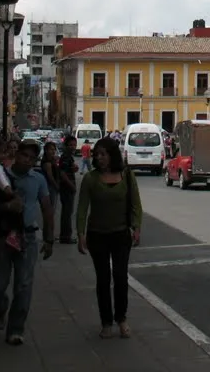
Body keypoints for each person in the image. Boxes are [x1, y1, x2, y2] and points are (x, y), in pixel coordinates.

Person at [0, 140, 54, 346]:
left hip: (28, 237)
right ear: (16, 155)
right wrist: (7, 206)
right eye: (25, 156)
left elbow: (47, 209)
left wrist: (50, 238)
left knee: (23, 285)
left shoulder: (38, 179)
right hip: (2, 236)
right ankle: (0, 306)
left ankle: (16, 329)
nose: (28, 161)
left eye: (33, 158)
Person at [77, 137, 143, 339]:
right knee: (103, 279)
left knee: (121, 277)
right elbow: (82, 209)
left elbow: (136, 204)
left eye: (103, 154)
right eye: (97, 155)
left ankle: (121, 318)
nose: (99, 158)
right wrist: (80, 234)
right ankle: (106, 322)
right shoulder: (90, 178)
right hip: (98, 235)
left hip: (121, 234)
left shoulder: (127, 175)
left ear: (112, 155)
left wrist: (136, 227)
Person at [57, 136, 79, 244]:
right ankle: (66, 236)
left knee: (67, 212)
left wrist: (73, 169)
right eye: (70, 145)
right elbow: (62, 173)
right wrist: (72, 185)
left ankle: (65, 235)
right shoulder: (66, 156)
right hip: (66, 188)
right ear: (66, 146)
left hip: (67, 188)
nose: (73, 147)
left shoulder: (69, 157)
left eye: (74, 145)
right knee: (67, 212)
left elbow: (66, 170)